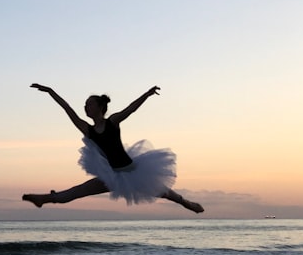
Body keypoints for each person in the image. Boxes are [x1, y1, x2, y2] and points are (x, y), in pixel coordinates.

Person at [23, 84, 203, 213]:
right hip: (111, 175)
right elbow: (67, 108)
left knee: (165, 193)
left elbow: (130, 109)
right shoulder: (87, 129)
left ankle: (187, 203)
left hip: (132, 172)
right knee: (76, 191)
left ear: (100, 107)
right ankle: (42, 199)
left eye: (89, 104)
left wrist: (146, 94)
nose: (86, 107)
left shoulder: (112, 122)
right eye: (85, 105)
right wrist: (50, 92)